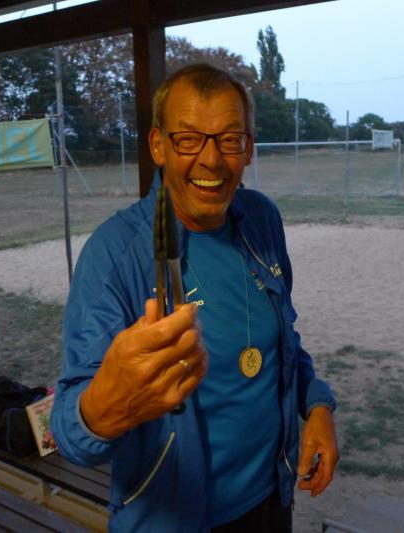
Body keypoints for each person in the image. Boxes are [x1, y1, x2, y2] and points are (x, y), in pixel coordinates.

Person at [52, 64, 339, 532]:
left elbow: (283, 342)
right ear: (158, 145)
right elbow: (70, 435)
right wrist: (101, 408)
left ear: (248, 147)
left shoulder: (261, 219)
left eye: (230, 139)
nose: (211, 160)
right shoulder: (115, 254)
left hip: (271, 499)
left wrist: (319, 406)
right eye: (188, 140)